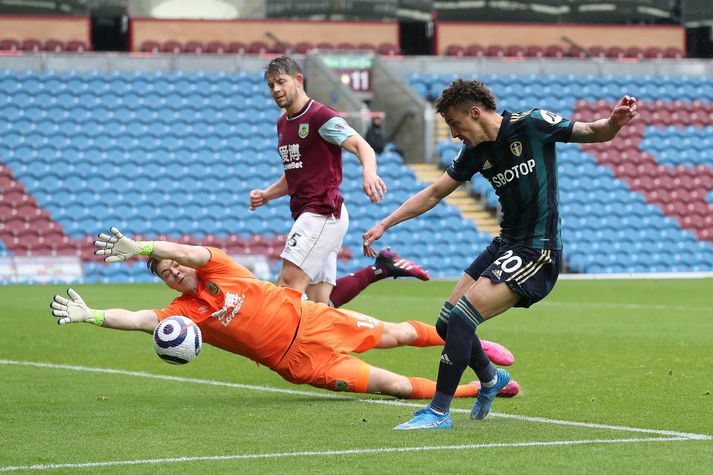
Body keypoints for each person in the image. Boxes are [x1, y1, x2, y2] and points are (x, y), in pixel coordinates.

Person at [363, 79, 638, 429]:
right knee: (447, 323)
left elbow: (595, 131)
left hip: (537, 250)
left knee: (464, 317)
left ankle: (438, 412)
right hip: (506, 244)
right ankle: (492, 379)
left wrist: (614, 122)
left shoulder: (532, 124)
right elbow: (434, 193)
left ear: (474, 113)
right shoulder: (475, 152)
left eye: (454, 124)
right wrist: (385, 224)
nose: (453, 134)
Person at [50, 227, 519, 401]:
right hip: (301, 364)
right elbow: (136, 319)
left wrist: (145, 248)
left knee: (397, 333)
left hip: (315, 320)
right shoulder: (182, 316)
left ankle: (476, 346)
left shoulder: (217, 263)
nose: (173, 272)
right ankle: (480, 387)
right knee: (392, 386)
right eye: (165, 273)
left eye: (174, 266)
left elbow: (183, 248)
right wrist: (89, 314)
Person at [249, 56, 392, 305]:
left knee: (287, 285)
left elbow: (361, 144)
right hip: (313, 215)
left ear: (298, 80)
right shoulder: (283, 123)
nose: (276, 90)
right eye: (271, 85)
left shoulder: (320, 115)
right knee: (318, 303)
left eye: (281, 82)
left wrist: (368, 172)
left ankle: (274, 343)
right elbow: (295, 172)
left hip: (322, 212)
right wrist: (266, 194)